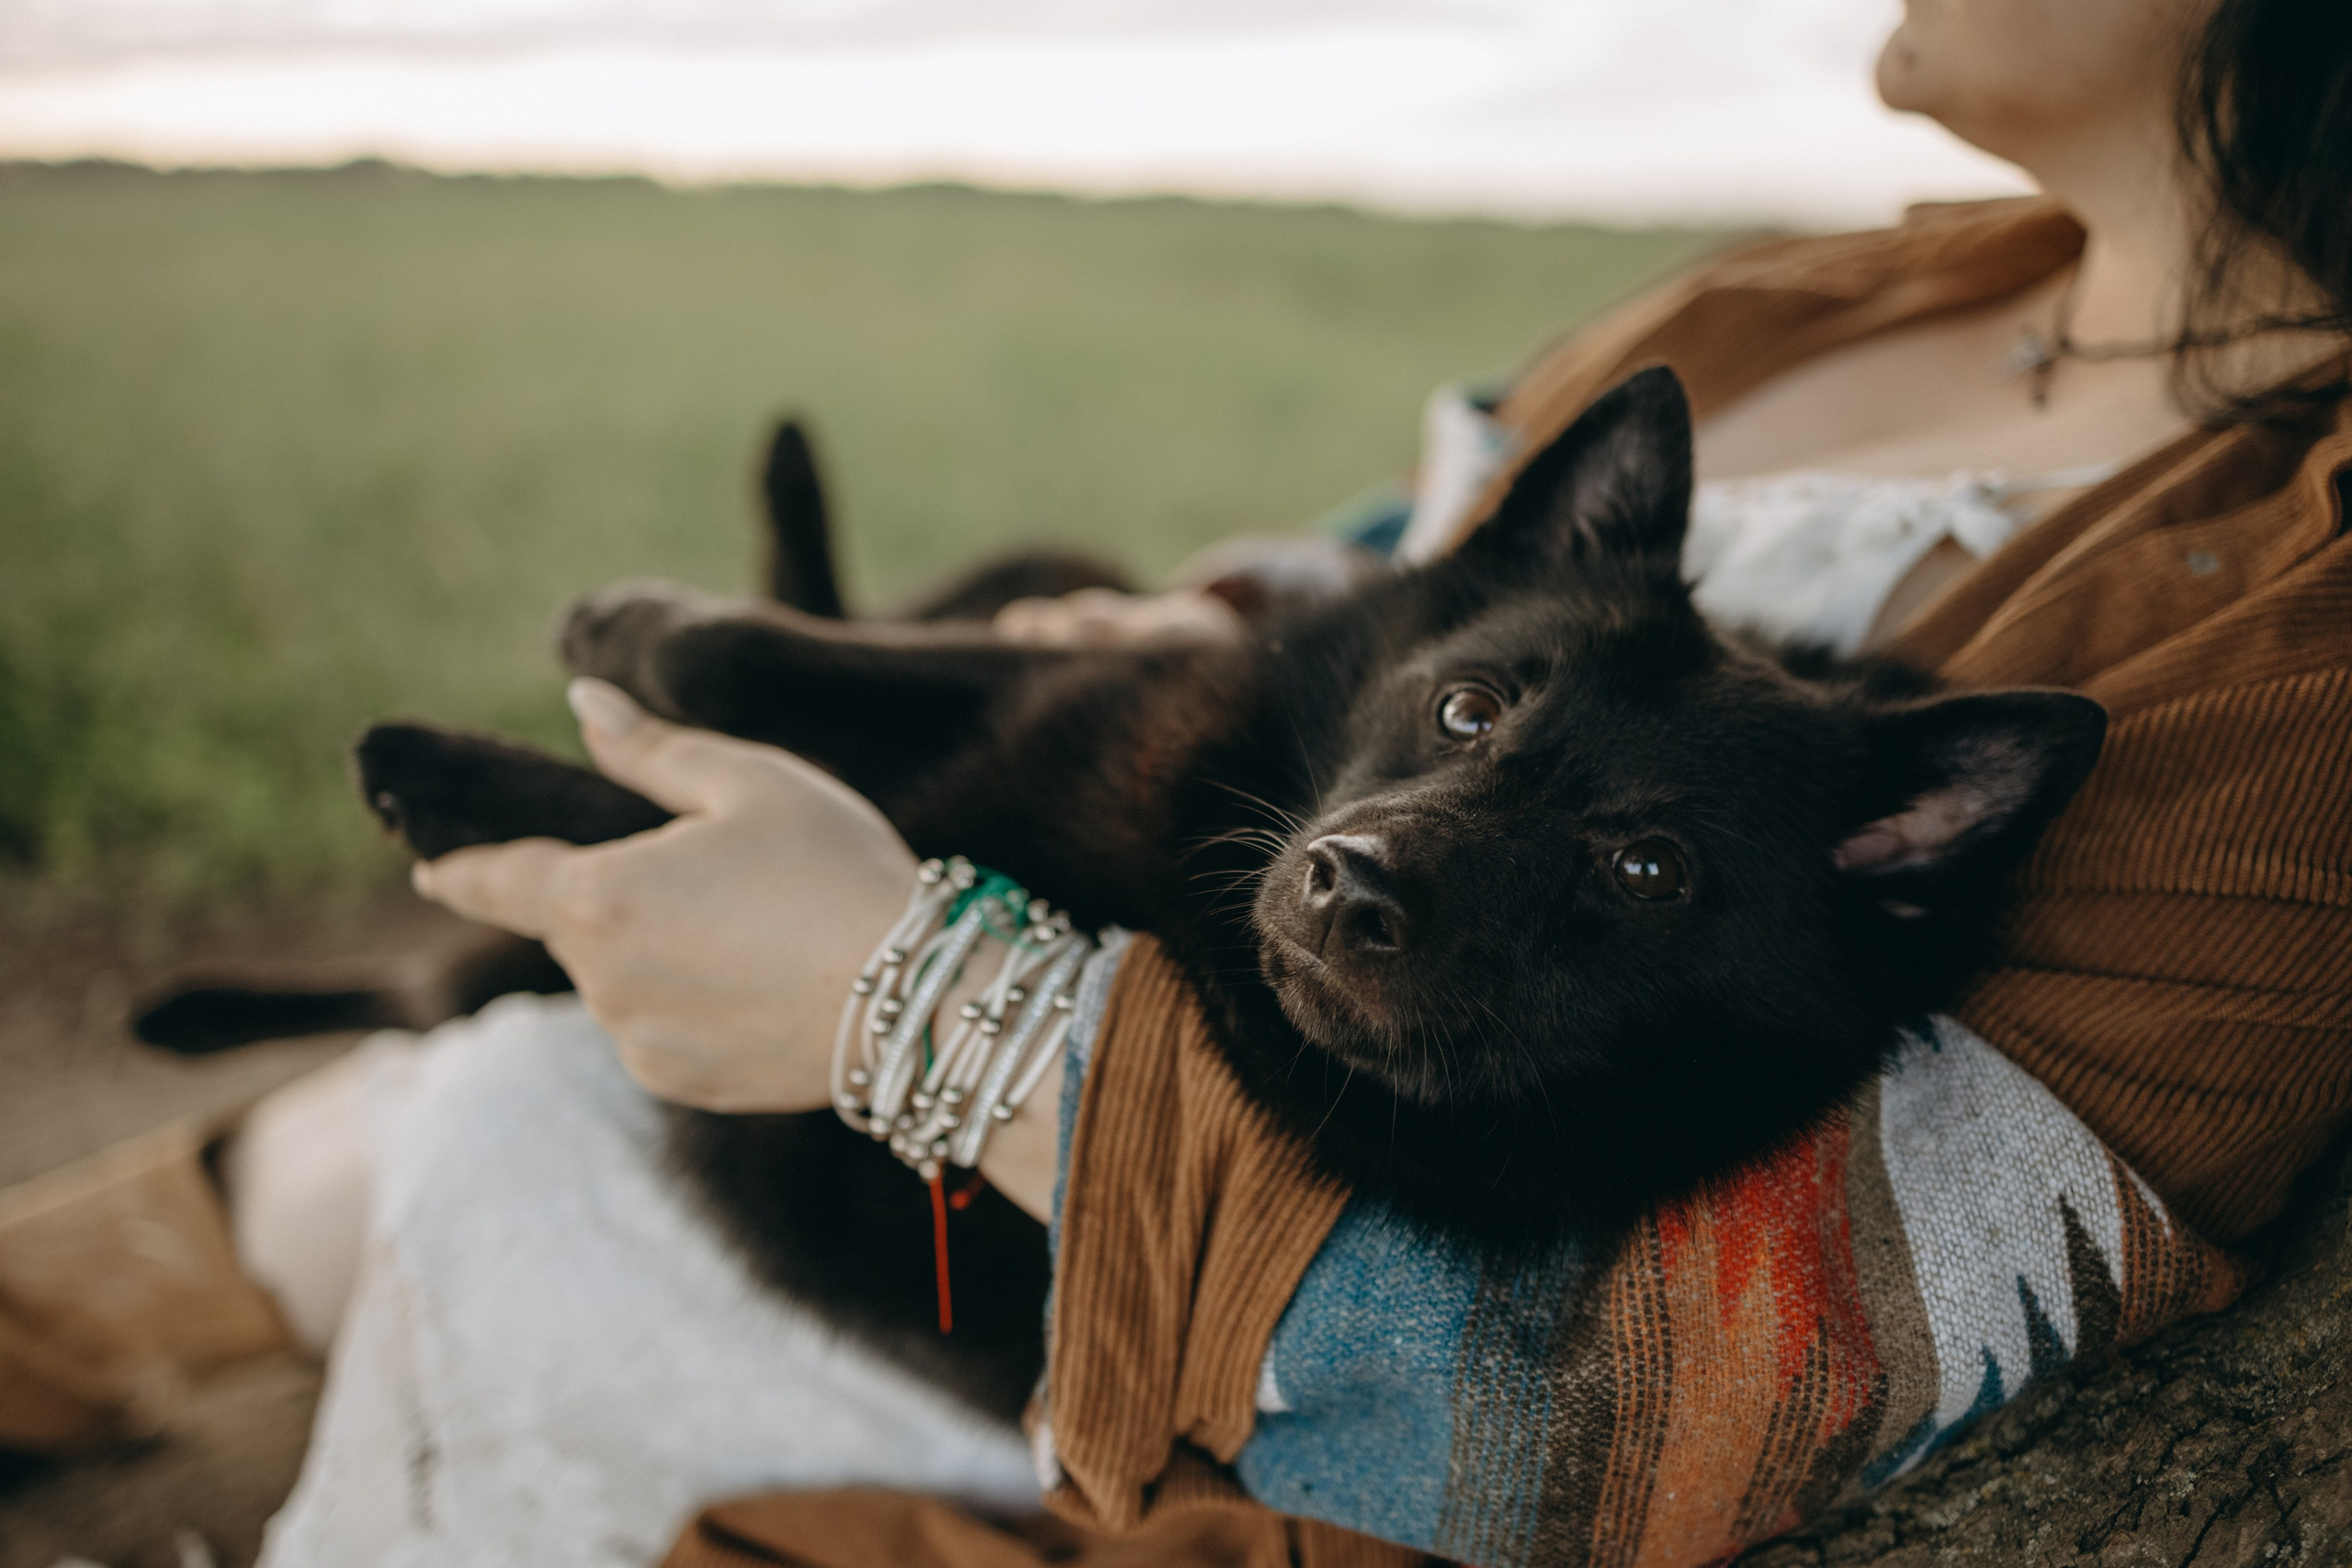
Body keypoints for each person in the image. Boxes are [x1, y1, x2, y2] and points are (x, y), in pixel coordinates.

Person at [6, 0, 2346, 1562]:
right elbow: (1422, 575)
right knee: (494, 1079)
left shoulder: (2297, 633)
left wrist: (918, 1001)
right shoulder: (1817, 296)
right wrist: (1191, 616)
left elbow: (1701, 1389)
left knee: (502, 1120)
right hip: (1083, 1082)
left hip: (1158, 1366)